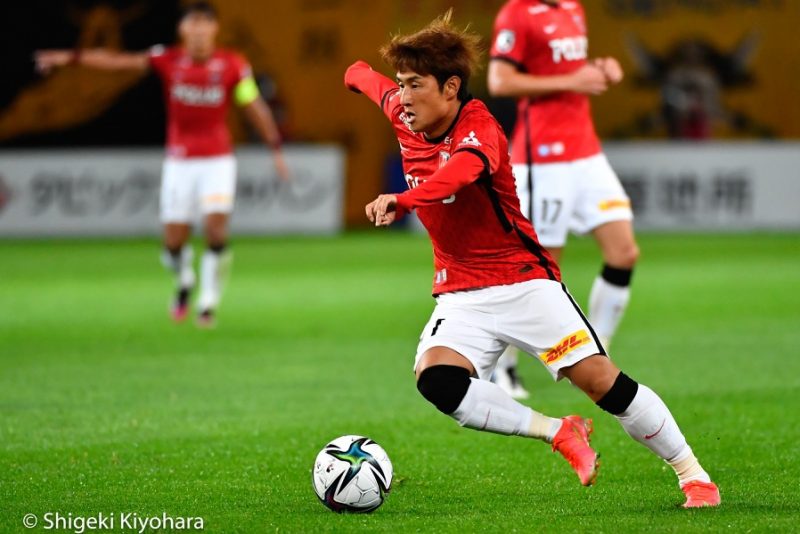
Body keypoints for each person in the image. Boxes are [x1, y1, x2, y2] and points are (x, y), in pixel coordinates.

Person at [345, 10, 719, 508]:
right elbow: (358, 73)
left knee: (604, 385)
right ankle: (559, 432)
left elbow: (456, 175)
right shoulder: (401, 108)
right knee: (437, 380)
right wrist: (362, 78)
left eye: (415, 85)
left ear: (452, 87)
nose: (404, 97)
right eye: (401, 85)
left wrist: (404, 199)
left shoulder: (481, 131)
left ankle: (693, 474)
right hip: (460, 293)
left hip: (524, 283)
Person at [35, 1, 288, 328]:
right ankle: (184, 279)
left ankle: (209, 302)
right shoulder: (168, 60)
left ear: (215, 28)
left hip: (217, 161)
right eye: (192, 24)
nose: (198, 31)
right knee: (173, 243)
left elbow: (253, 105)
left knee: (215, 228)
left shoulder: (233, 65)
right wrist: (70, 58)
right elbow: (118, 63)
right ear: (182, 30)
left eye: (204, 24)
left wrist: (276, 148)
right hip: (180, 163)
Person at [486, 0, 638, 398]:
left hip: (585, 153)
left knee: (623, 252)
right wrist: (572, 82)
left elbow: (570, 69)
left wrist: (601, 70)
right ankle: (502, 366)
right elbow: (500, 81)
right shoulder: (517, 13)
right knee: (542, 271)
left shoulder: (573, 8)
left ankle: (595, 352)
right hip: (543, 157)